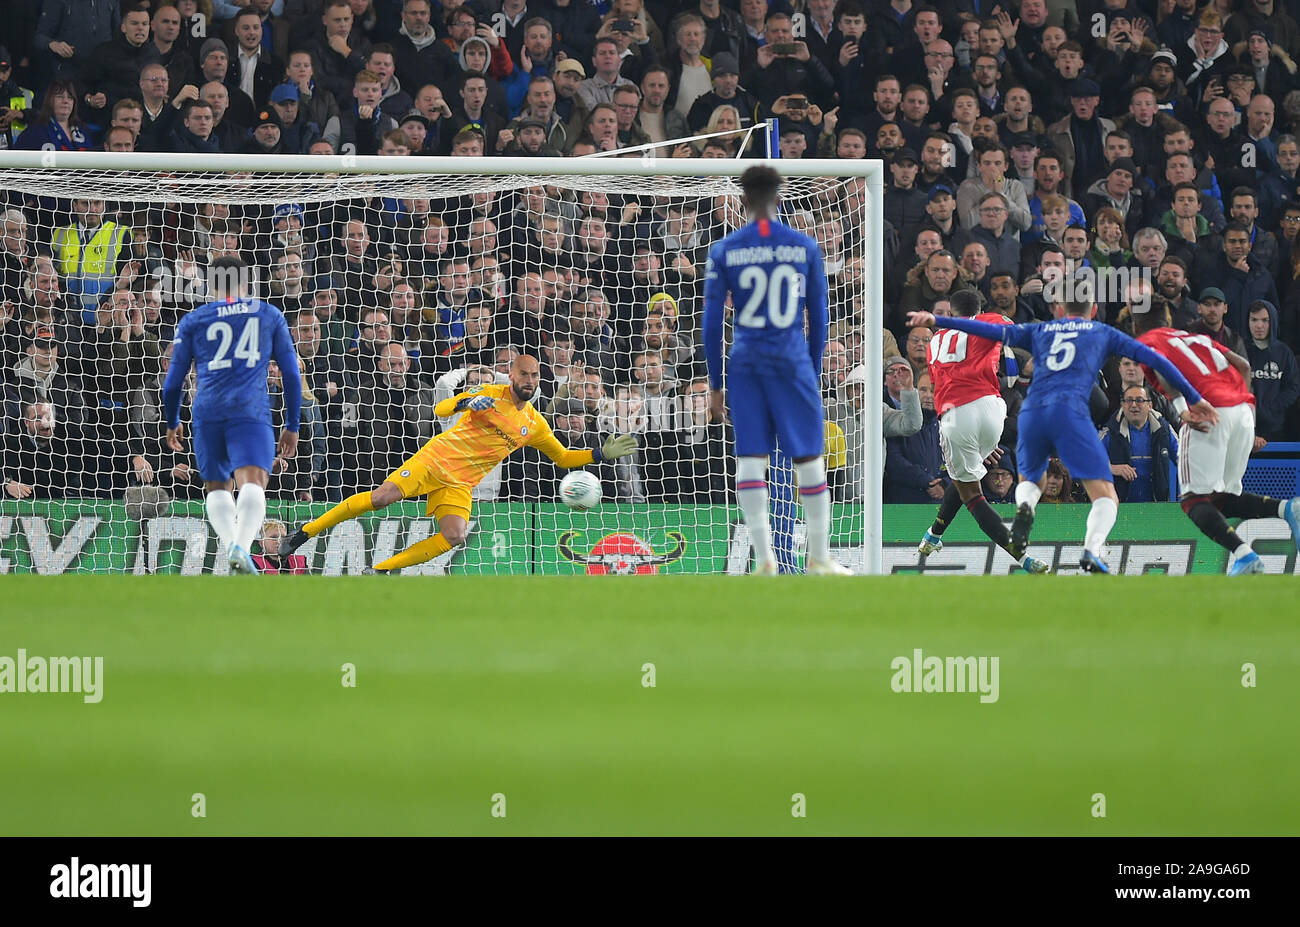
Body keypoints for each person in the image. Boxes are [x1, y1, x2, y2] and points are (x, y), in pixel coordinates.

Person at [908, 300, 1217, 573]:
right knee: (1104, 494)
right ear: (1093, 311)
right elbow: (1158, 361)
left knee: (995, 485)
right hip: (1022, 411)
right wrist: (1188, 401)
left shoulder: (1036, 332)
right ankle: (1092, 549)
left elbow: (981, 336)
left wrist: (936, 321)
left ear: (1058, 310)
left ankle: (1023, 517)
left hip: (1012, 413)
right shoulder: (1100, 332)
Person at [283, 355, 638, 572]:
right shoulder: (487, 394)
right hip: (435, 459)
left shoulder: (535, 423)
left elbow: (562, 457)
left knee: (454, 535)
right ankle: (303, 533)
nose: (529, 381)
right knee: (380, 498)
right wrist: (465, 403)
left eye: (535, 377)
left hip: (460, 483)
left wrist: (599, 455)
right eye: (524, 374)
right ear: (511, 375)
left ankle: (379, 571)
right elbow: (438, 410)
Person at [702, 164, 850, 576]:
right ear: (780, 196)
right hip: (791, 360)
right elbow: (818, 317)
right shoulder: (803, 246)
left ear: (743, 200)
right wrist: (814, 371)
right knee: (809, 458)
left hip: (746, 361)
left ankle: (765, 558)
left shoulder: (725, 249)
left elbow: (712, 324)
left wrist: (716, 384)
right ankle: (819, 558)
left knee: (751, 460)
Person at [1133, 304, 1300, 573]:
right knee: (1220, 498)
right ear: (1168, 319)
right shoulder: (1196, 338)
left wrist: (1182, 411)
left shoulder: (1146, 341)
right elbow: (1244, 366)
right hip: (1244, 412)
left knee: (1191, 500)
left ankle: (1245, 555)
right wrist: (1244, 410)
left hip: (1207, 411)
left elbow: (1160, 365)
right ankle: (1287, 508)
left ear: (1136, 327)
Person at [163, 255, 302, 575]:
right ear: (246, 283)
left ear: (211, 285)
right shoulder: (267, 314)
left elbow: (173, 384)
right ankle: (241, 544)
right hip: (249, 411)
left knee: (217, 486)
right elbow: (291, 375)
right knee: (253, 481)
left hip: (207, 411)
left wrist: (173, 421)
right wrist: (291, 425)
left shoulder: (194, 320)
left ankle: (231, 546)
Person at [916, 290, 1049, 573]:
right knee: (963, 475)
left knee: (971, 494)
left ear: (950, 314)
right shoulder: (990, 319)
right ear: (979, 308)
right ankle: (934, 534)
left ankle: (1023, 557)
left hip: (956, 413)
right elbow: (1011, 330)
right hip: (992, 409)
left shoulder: (935, 340)